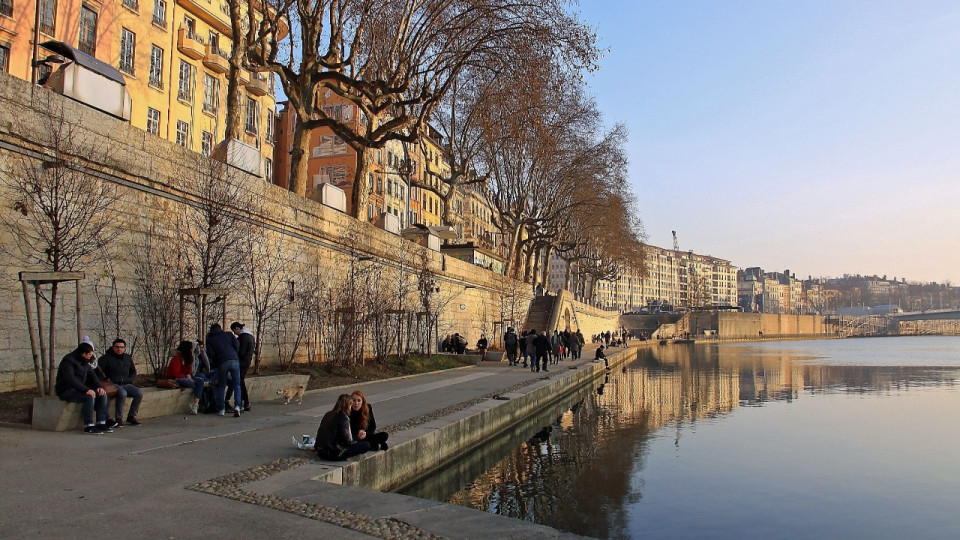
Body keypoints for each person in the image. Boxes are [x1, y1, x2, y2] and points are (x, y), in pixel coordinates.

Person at [55, 341, 113, 434]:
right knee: (89, 397)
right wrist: (86, 390)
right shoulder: (68, 361)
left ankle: (101, 422)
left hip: (80, 389)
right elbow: (70, 379)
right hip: (67, 390)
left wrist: (98, 386)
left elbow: (92, 374)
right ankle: (88, 425)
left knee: (102, 394)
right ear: (83, 353)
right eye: (89, 354)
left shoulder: (84, 361)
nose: (91, 356)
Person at [97, 338, 143, 427]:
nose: (119, 349)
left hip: (126, 383)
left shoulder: (127, 358)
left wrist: (131, 379)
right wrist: (106, 381)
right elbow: (99, 373)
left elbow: (133, 371)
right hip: (113, 384)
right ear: (113, 347)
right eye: (117, 347)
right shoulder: (105, 359)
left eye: (121, 347)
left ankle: (131, 416)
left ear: (124, 348)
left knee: (139, 392)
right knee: (122, 393)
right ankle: (119, 418)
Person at [315, 394, 371, 461]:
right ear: (347, 406)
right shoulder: (343, 417)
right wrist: (356, 438)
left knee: (361, 441)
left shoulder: (328, 414)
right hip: (333, 453)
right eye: (350, 405)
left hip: (320, 451)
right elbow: (347, 441)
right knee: (366, 445)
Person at [206, 323, 242, 417]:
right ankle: (237, 406)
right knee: (237, 384)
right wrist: (234, 353)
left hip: (222, 362)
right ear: (220, 328)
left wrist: (216, 361)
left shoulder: (210, 340)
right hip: (234, 359)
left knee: (221, 385)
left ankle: (221, 409)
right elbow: (237, 344)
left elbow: (211, 354)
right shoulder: (228, 334)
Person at [165, 341, 209, 415]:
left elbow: (189, 369)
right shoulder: (176, 358)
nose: (191, 350)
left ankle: (195, 405)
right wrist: (187, 377)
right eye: (191, 349)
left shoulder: (188, 358)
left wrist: (189, 374)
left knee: (199, 381)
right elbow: (176, 374)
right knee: (194, 385)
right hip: (176, 379)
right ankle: (202, 386)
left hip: (186, 377)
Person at [227, 322, 254, 412]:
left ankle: (242, 403)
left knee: (239, 383)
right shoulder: (250, 336)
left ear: (237, 328)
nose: (234, 333)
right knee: (241, 382)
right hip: (247, 362)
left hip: (242, 363)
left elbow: (241, 352)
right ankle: (246, 403)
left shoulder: (243, 337)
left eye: (234, 331)